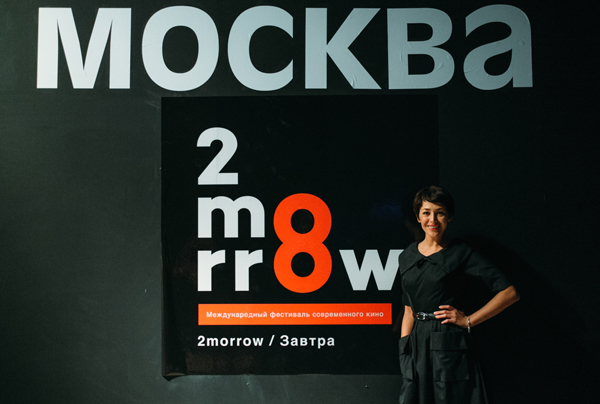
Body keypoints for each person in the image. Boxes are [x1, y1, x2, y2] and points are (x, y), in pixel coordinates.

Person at [398, 185, 519, 404]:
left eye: (440, 213)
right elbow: (408, 309)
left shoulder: (461, 253)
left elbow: (509, 293)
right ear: (417, 217)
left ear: (449, 217)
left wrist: (469, 320)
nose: (433, 220)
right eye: (426, 212)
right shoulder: (407, 256)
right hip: (416, 345)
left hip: (449, 345)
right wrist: (404, 348)